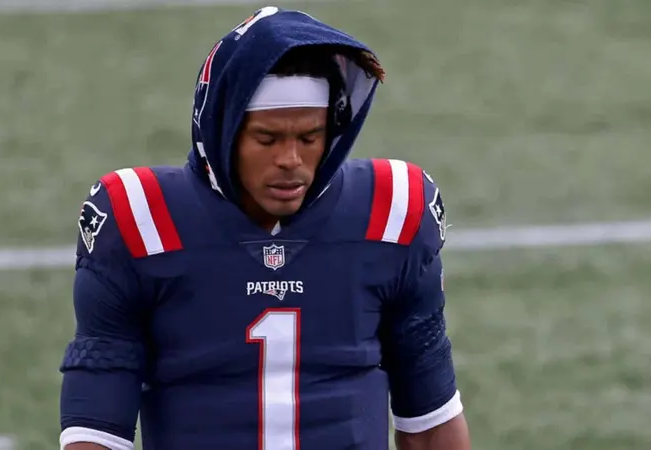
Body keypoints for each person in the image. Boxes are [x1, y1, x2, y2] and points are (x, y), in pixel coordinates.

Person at [59, 6, 471, 450]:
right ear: (222, 130)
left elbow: (430, 420)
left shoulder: (392, 213)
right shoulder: (140, 220)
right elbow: (96, 428)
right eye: (267, 139)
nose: (290, 160)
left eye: (309, 137)